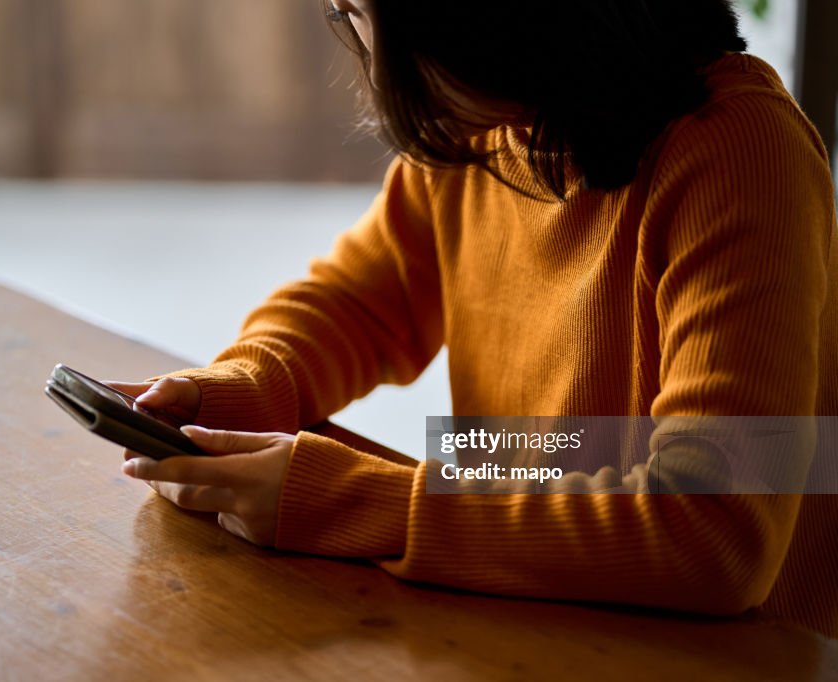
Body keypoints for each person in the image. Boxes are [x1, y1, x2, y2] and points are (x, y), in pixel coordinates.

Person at [108, 0, 838, 638]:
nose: (373, 66)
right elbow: (357, 304)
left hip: (724, 650)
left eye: (369, 18)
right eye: (348, 15)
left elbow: (714, 533)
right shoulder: (484, 129)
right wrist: (242, 388)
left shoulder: (740, 150)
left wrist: (352, 502)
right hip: (527, 614)